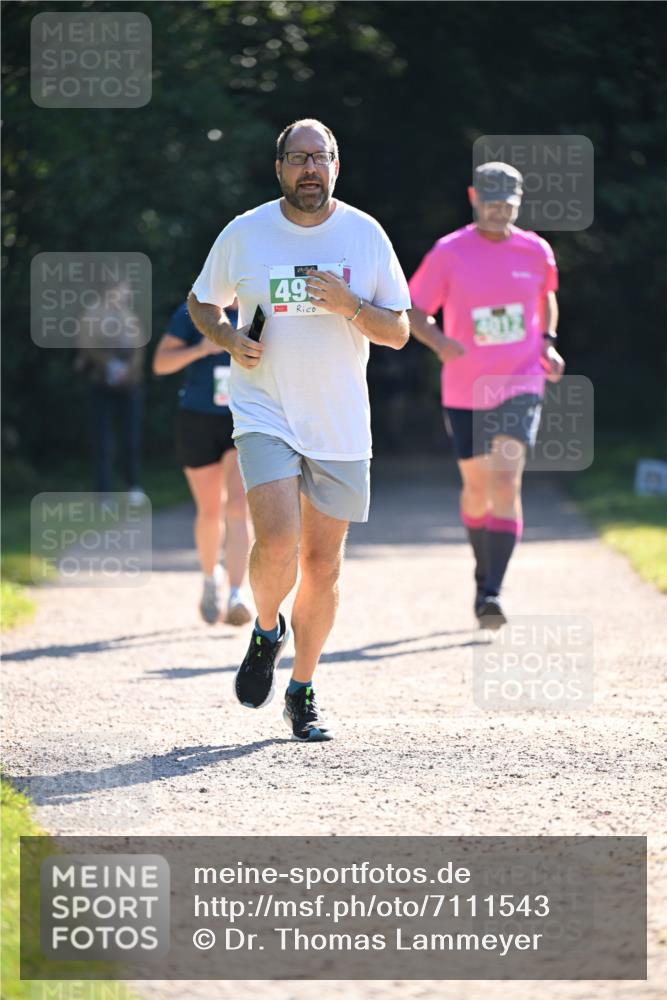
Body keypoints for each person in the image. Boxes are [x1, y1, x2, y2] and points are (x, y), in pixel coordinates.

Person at [188, 118, 410, 741]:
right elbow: (203, 300)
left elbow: (397, 331)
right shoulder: (246, 232)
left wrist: (351, 307)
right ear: (278, 166)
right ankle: (265, 629)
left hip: (339, 421)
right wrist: (228, 337)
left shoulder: (365, 234)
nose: (309, 168)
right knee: (278, 538)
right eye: (298, 158)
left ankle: (302, 689)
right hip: (266, 410)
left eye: (321, 157)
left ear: (337, 166)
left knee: (323, 565)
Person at [409, 162, 566, 629]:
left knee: (505, 481)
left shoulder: (535, 249)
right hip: (465, 388)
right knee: (477, 489)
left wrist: (547, 343)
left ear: (518, 203)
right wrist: (439, 343)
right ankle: (484, 574)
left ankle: (492, 592)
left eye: (508, 206)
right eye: (491, 204)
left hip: (521, 382)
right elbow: (413, 310)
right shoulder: (449, 252)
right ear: (474, 196)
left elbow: (547, 297)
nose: (499, 213)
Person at [152, 300, 252, 626]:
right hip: (197, 418)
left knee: (238, 507)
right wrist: (199, 349)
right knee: (211, 510)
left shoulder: (260, 310)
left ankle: (237, 593)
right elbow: (161, 364)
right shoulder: (192, 313)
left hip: (244, 418)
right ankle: (211, 580)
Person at [76, 280, 146, 504]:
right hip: (101, 383)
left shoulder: (129, 315)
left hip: (130, 384)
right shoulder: (93, 314)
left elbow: (139, 348)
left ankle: (132, 486)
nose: (124, 293)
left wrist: (131, 370)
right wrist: (109, 364)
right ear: (109, 290)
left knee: (131, 438)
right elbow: (86, 345)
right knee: (104, 441)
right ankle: (104, 493)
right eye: (120, 288)